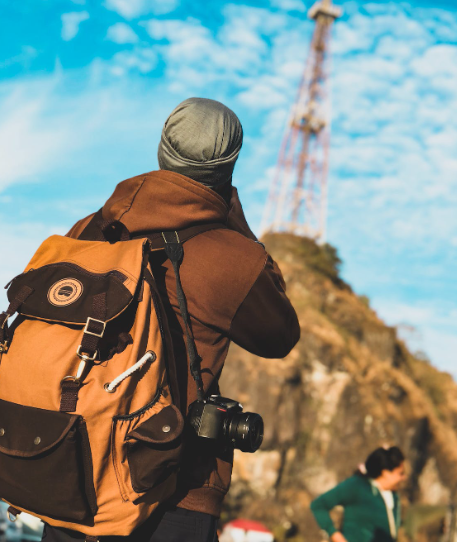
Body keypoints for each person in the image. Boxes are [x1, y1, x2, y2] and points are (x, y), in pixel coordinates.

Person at [42, 98, 300, 542]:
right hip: (172, 490)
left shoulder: (88, 230)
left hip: (73, 473)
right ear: (228, 167)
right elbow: (280, 336)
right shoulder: (229, 256)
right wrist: (237, 223)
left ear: (162, 151)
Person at [310, 446, 407, 542]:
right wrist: (335, 536)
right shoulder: (357, 486)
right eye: (400, 473)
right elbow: (318, 505)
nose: (404, 478)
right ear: (385, 473)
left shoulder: (393, 496)